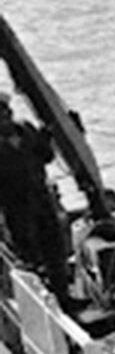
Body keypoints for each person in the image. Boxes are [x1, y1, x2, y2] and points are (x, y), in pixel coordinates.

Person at [0, 93, 65, 284]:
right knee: (29, 254)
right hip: (17, 206)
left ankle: (64, 295)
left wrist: (47, 136)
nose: (5, 117)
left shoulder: (26, 130)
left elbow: (46, 156)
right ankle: (43, 295)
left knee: (54, 247)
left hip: (41, 198)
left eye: (5, 112)